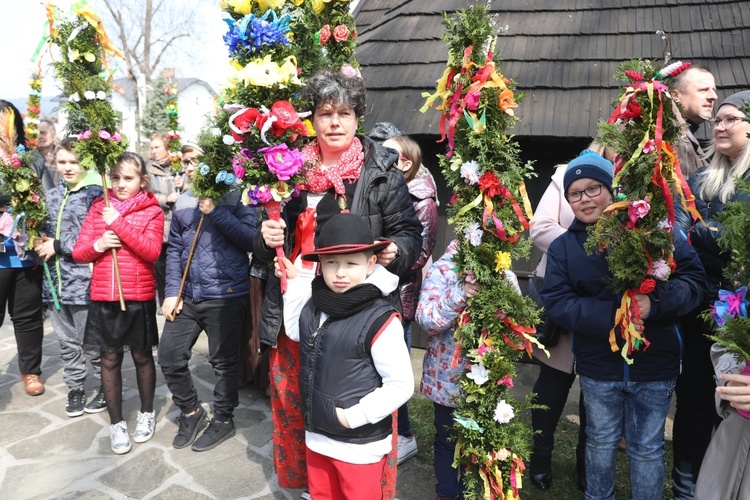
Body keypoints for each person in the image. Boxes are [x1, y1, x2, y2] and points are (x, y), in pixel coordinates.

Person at [253, 70, 422, 493]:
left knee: (348, 387)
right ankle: (317, 481)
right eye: (325, 113)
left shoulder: (380, 169)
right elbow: (271, 241)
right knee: (298, 393)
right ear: (312, 118)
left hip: (356, 300)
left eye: (344, 113)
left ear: (357, 116)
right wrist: (266, 236)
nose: (334, 122)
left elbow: (409, 231)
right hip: (299, 297)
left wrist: (394, 251)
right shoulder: (287, 169)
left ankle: (357, 481)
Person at [541, 151, 706, 500]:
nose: (585, 199)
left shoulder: (656, 233)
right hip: (599, 364)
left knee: (647, 446)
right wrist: (615, 316)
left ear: (612, 189)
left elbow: (693, 282)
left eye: (593, 188)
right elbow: (558, 301)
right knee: (599, 440)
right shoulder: (564, 248)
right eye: (575, 193)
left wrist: (655, 304)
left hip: (655, 362)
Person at [277, 213, 414, 498]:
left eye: (351, 263)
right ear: (320, 266)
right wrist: (293, 288)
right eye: (331, 263)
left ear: (370, 263)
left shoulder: (380, 318)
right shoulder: (316, 304)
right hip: (318, 437)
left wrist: (353, 417)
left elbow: (401, 384)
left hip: (358, 444)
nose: (340, 272)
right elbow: (295, 331)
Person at [674, 90, 750, 498]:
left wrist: (703, 235)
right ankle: (687, 483)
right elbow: (679, 230)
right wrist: (710, 238)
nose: (719, 126)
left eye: (731, 119)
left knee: (737, 402)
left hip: (743, 312)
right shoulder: (702, 177)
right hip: (700, 306)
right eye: (717, 120)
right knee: (695, 398)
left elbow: (735, 246)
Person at [157, 143, 257, 452]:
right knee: (169, 355)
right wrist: (172, 292)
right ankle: (191, 410)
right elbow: (174, 249)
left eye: (195, 161)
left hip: (225, 294)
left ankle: (224, 419)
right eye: (185, 161)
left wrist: (215, 212)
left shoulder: (238, 195)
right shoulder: (184, 200)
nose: (188, 167)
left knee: (224, 363)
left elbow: (250, 239)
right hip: (188, 296)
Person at [72, 152, 164, 454]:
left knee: (141, 356)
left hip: (137, 296)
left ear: (142, 181)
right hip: (104, 295)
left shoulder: (152, 210)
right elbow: (79, 251)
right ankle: (116, 423)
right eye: (115, 178)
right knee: (109, 359)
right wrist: (99, 245)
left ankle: (147, 413)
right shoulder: (100, 206)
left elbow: (151, 251)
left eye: (128, 178)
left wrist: (120, 225)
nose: (120, 184)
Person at [416, 239, 521, 500]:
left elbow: (517, 324)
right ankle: (448, 493)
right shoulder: (444, 269)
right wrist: (460, 293)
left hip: (487, 381)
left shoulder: (503, 272)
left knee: (480, 440)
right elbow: (427, 318)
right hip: (449, 382)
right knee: (448, 439)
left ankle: (477, 491)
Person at [34, 138, 105, 416]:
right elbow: (42, 233)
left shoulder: (96, 195)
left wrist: (58, 245)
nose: (67, 167)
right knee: (66, 343)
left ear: (84, 162)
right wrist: (37, 239)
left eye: (73, 162)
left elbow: (97, 239)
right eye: (62, 162)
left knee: (92, 342)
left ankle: (103, 386)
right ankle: (75, 388)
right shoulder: (51, 196)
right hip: (55, 283)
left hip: (85, 283)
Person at [382, 134, 438, 464]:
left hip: (398, 296)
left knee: (396, 368)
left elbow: (420, 251)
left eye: (388, 154)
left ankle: (404, 435)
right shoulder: (386, 188)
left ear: (405, 163)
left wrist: (382, 261)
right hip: (376, 288)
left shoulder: (423, 199)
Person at [0, 100, 46, 396]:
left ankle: (30, 372)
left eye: (6, 121)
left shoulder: (30, 157)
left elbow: (37, 192)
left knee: (28, 317)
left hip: (24, 251)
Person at [146, 132, 183, 308]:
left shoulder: (179, 165)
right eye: (152, 148)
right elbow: (146, 194)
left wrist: (183, 185)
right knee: (161, 267)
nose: (154, 151)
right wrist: (165, 198)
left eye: (157, 147)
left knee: (179, 264)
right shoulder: (149, 169)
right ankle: (163, 301)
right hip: (160, 225)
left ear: (167, 148)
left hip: (179, 223)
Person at [671, 66, 717, 178]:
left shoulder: (681, 134)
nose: (714, 97)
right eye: (703, 90)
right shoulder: (673, 138)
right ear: (675, 96)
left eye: (713, 90)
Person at [35, 119, 60, 191]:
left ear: (54, 136)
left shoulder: (62, 157)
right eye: (37, 133)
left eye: (43, 133)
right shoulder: (30, 157)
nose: (39, 136)